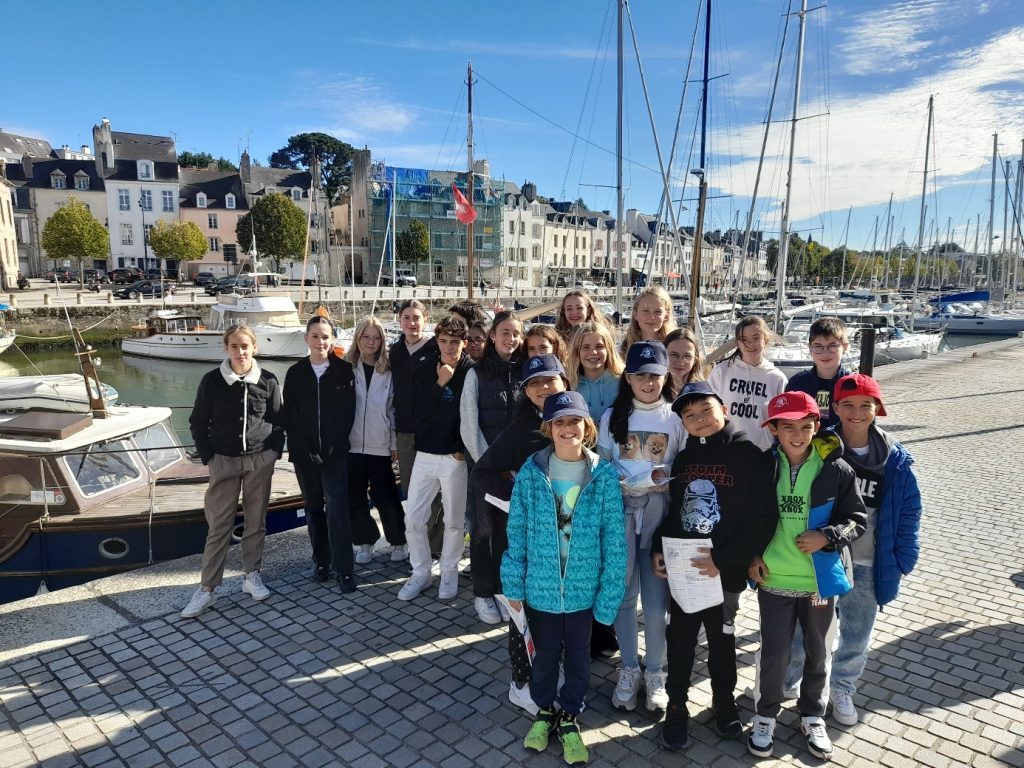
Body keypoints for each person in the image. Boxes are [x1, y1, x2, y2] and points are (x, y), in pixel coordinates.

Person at [783, 374, 921, 727]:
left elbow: (909, 510)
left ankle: (843, 687)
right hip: (822, 557)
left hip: (867, 560)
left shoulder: (895, 459)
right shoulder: (819, 446)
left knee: (857, 630)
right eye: (848, 405)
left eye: (865, 405)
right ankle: (789, 677)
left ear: (878, 409)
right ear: (835, 409)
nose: (856, 413)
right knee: (806, 626)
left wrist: (904, 557)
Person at [502, 390, 627, 766]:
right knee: (543, 659)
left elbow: (614, 540)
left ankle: (570, 713)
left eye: (574, 421)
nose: (567, 428)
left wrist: (608, 596)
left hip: (582, 592)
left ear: (587, 426)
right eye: (560, 422)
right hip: (540, 590)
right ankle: (544, 711)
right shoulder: (531, 472)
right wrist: (513, 583)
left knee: (577, 658)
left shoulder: (602, 475)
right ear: (548, 428)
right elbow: (517, 530)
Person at [652, 381, 777, 749]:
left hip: (726, 570)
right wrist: (659, 547)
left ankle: (723, 700)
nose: (699, 420)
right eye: (689, 416)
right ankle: (677, 704)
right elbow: (675, 512)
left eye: (705, 410)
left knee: (722, 639)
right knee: (681, 638)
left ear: (723, 407)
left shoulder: (750, 454)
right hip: (687, 569)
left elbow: (763, 517)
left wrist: (724, 559)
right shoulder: (686, 458)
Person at [747, 391, 866, 761]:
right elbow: (746, 518)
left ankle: (813, 714)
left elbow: (857, 520)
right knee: (775, 653)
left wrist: (827, 537)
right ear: (774, 430)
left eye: (805, 426)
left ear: (817, 427)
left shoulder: (837, 469)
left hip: (819, 582)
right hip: (774, 578)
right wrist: (750, 556)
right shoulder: (762, 468)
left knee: (818, 652)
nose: (797, 435)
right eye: (788, 428)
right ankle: (765, 713)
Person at [471, 353, 570, 713]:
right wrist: (518, 500)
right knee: (524, 613)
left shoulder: (576, 419)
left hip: (566, 539)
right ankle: (522, 683)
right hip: (528, 541)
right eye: (535, 383)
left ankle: (548, 672)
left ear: (564, 380)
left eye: (550, 380)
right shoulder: (519, 429)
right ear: (527, 391)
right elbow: (483, 473)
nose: (544, 388)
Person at [598, 341, 684, 716]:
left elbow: (683, 468)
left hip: (658, 519)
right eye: (640, 375)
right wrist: (612, 483)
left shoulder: (676, 418)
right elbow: (600, 463)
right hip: (620, 516)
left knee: (654, 603)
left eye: (655, 374)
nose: (648, 382)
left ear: (665, 377)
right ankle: (628, 669)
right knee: (622, 597)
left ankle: (655, 673)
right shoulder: (611, 416)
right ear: (628, 377)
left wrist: (668, 480)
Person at [182, 325, 284, 618]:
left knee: (256, 522)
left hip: (259, 460)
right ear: (226, 348)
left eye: (245, 346)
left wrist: (273, 452)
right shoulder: (212, 381)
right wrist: (210, 459)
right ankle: (207, 589)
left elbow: (278, 420)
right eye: (235, 346)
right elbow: (198, 422)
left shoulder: (268, 380)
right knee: (219, 527)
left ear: (254, 348)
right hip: (223, 461)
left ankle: (251, 576)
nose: (240, 352)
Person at [398, 315, 474, 602]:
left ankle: (450, 570)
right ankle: (420, 572)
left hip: (454, 458)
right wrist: (440, 383)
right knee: (414, 518)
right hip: (425, 454)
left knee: (454, 521)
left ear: (464, 343)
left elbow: (470, 415)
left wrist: (459, 450)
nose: (448, 347)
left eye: (455, 342)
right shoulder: (424, 368)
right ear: (437, 340)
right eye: (443, 341)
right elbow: (417, 413)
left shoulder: (471, 371)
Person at [461, 310, 525, 624]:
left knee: (509, 535)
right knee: (484, 532)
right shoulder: (476, 373)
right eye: (504, 332)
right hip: (487, 470)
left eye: (515, 333)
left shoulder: (527, 372)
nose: (510, 339)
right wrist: (492, 465)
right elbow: (469, 425)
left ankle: (503, 591)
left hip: (518, 472)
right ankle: (483, 593)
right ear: (492, 335)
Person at [284, 316, 357, 592]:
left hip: (335, 454)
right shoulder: (295, 373)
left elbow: (347, 413)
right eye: (315, 336)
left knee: (337, 509)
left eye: (325, 336)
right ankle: (321, 561)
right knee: (313, 508)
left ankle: (345, 568)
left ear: (333, 339)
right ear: (306, 338)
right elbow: (291, 415)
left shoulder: (343, 371)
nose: (320, 342)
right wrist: (305, 449)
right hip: (305, 456)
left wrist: (331, 448)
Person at [345, 316, 408, 565]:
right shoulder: (346, 367)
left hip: (379, 443)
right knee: (355, 497)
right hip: (351, 444)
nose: (371, 342)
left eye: (376, 337)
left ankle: (398, 540)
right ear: (358, 338)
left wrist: (393, 442)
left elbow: (392, 408)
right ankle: (365, 540)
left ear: (382, 340)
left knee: (386, 495)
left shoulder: (388, 369)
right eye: (366, 337)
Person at [389, 299, 445, 556]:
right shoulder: (395, 351)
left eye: (416, 318)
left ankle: (435, 546)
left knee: (436, 493)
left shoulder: (436, 349)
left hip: (431, 430)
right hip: (405, 431)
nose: (412, 323)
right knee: (412, 490)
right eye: (407, 318)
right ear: (400, 321)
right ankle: (417, 543)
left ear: (425, 320)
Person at [707, 316, 786, 451]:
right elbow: (708, 409)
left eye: (756, 338)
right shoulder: (722, 371)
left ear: (765, 340)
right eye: (744, 340)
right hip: (727, 449)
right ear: (738, 343)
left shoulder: (777, 378)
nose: (750, 344)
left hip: (763, 451)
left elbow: (783, 419)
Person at [785, 317, 852, 430]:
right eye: (818, 346)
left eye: (832, 346)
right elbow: (785, 421)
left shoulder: (853, 384)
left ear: (844, 347)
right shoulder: (797, 384)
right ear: (810, 348)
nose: (825, 352)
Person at [566, 321, 624, 423]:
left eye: (599, 347)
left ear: (609, 349)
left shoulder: (623, 381)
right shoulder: (568, 385)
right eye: (586, 347)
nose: (593, 352)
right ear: (577, 351)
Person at [619, 285, 677, 356]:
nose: (651, 317)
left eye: (658, 312)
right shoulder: (626, 347)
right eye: (646, 311)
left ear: (666, 315)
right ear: (635, 314)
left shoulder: (675, 346)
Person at [664, 327, 704, 398]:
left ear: (695, 359)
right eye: (674, 355)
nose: (680, 362)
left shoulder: (703, 392)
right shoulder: (652, 389)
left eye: (687, 356)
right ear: (663, 355)